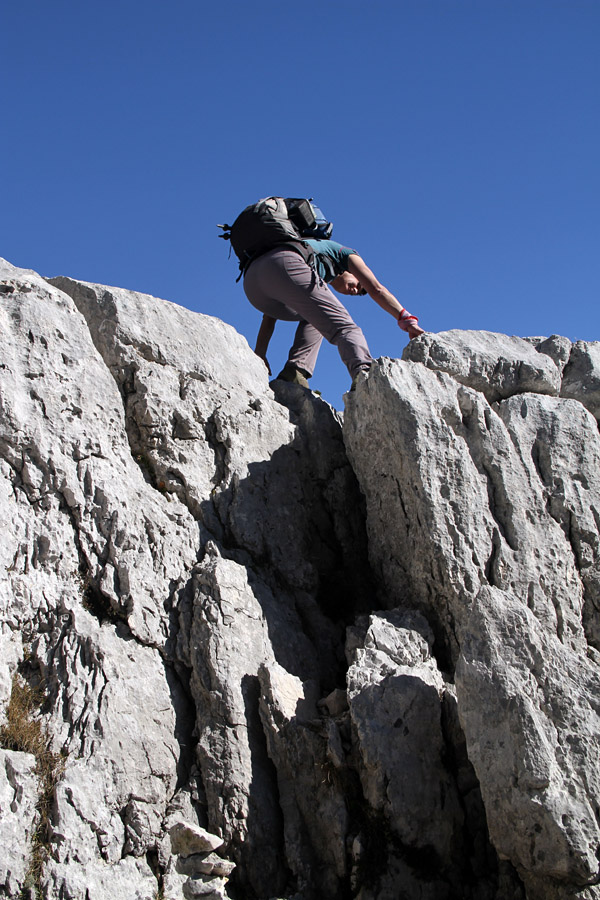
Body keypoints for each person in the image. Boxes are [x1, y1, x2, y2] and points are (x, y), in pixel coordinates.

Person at [243, 236, 425, 388]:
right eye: (358, 284)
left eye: (359, 293)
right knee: (346, 328)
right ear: (349, 271)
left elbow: (269, 317)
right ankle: (366, 380)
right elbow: (377, 289)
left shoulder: (311, 267)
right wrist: (406, 319)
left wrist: (260, 354)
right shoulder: (344, 253)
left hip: (253, 284)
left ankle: (295, 371)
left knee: (315, 316)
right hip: (284, 262)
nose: (355, 291)